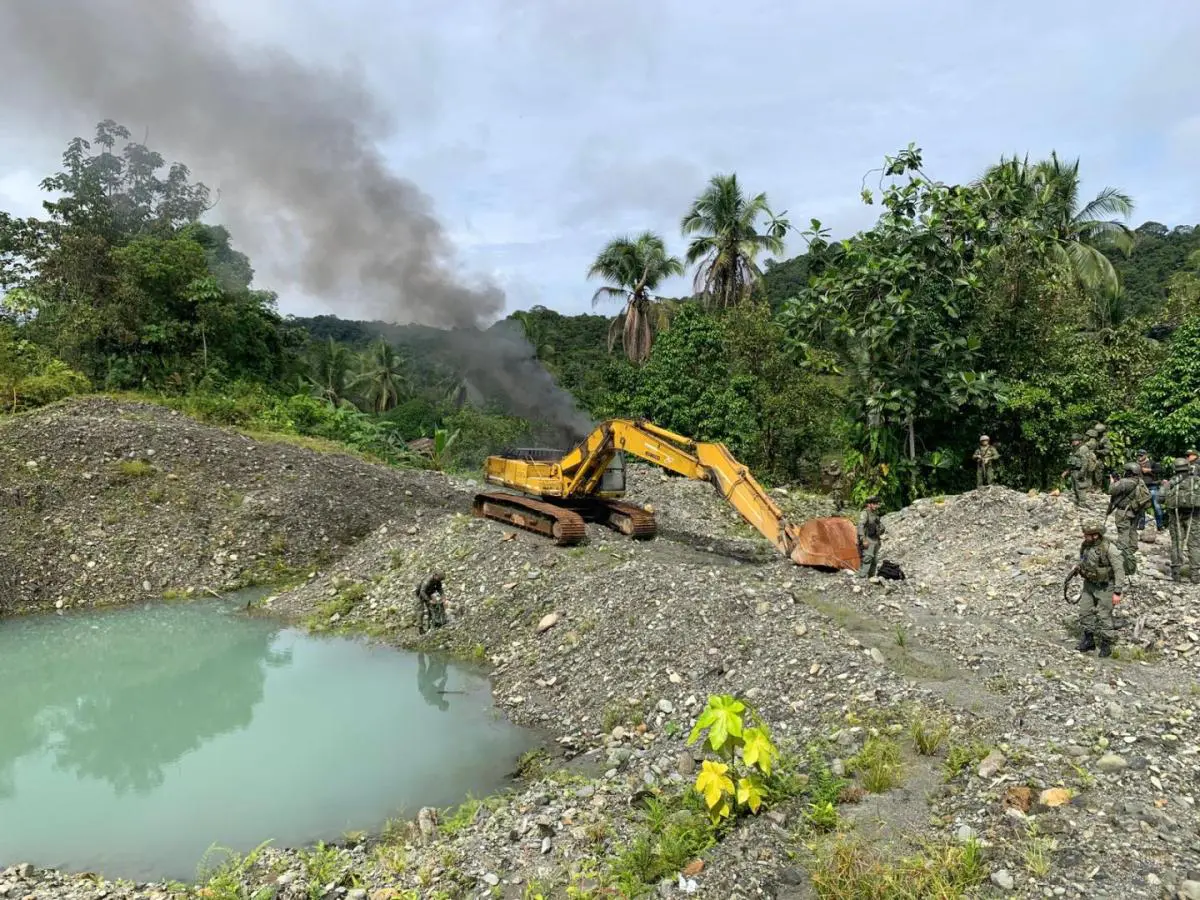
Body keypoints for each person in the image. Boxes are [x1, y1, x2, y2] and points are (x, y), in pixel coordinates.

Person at [1066, 520, 1124, 658]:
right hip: (1089, 584)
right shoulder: (1086, 545)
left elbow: (1119, 570)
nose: (1084, 537)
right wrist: (1078, 567)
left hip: (1106, 587)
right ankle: (1088, 640)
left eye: (1087, 535)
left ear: (1096, 535)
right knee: (1084, 612)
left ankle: (1106, 644)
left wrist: (1117, 592)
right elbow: (1084, 559)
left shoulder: (1109, 549)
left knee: (1104, 616)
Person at [1106, 461, 1149, 575]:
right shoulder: (1140, 481)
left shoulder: (1125, 482)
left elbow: (1111, 490)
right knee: (1132, 532)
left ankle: (1125, 562)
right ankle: (1131, 552)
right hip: (1135, 511)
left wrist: (1112, 482)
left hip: (1123, 512)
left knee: (1123, 536)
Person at [1161, 458, 1200, 584]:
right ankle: (1195, 575)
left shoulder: (1172, 482)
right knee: (1193, 545)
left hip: (1175, 515)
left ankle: (1176, 574)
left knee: (1177, 543)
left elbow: (1159, 498)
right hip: (1194, 516)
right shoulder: (1196, 480)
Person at [1135, 450, 1165, 530]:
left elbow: (1160, 470)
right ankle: (1141, 526)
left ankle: (1160, 526)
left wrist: (1149, 470)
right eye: (1138, 455)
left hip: (1152, 487)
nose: (1139, 457)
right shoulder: (1136, 464)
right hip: (1141, 488)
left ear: (1145, 455)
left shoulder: (1152, 463)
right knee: (1141, 507)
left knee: (1157, 507)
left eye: (1141, 455)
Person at [856, 496, 884, 579]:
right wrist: (863, 539)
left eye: (877, 504)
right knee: (867, 558)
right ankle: (861, 577)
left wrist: (881, 528)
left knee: (874, 560)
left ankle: (871, 577)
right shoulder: (865, 513)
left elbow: (879, 525)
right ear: (869, 504)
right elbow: (860, 526)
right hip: (868, 539)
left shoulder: (875, 513)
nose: (877, 506)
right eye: (875, 504)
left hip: (875, 539)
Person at [1061, 434, 1093, 507]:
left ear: (1079, 441)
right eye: (1072, 440)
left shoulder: (1083, 448)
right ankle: (1078, 502)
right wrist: (1066, 471)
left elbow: (1085, 462)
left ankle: (1082, 503)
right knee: (1074, 487)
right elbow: (1072, 461)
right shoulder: (1075, 448)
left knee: (1080, 487)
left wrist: (1082, 472)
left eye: (1074, 440)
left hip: (1080, 470)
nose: (1073, 442)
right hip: (1074, 470)